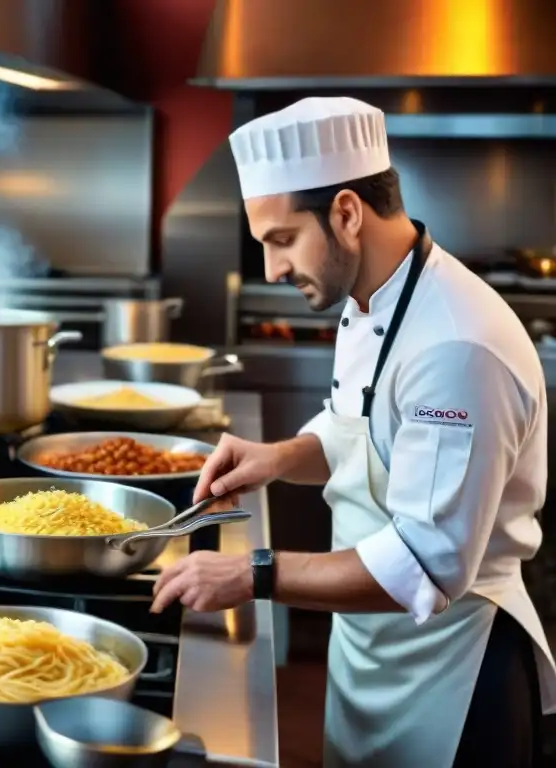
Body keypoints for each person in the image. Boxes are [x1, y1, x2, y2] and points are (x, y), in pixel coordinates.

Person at [151, 97, 556, 766]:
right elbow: (358, 432)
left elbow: (424, 565)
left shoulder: (456, 346)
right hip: (372, 652)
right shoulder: (370, 298)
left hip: (452, 676)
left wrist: (251, 573)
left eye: (281, 240)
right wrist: (276, 457)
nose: (274, 270)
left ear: (345, 213)